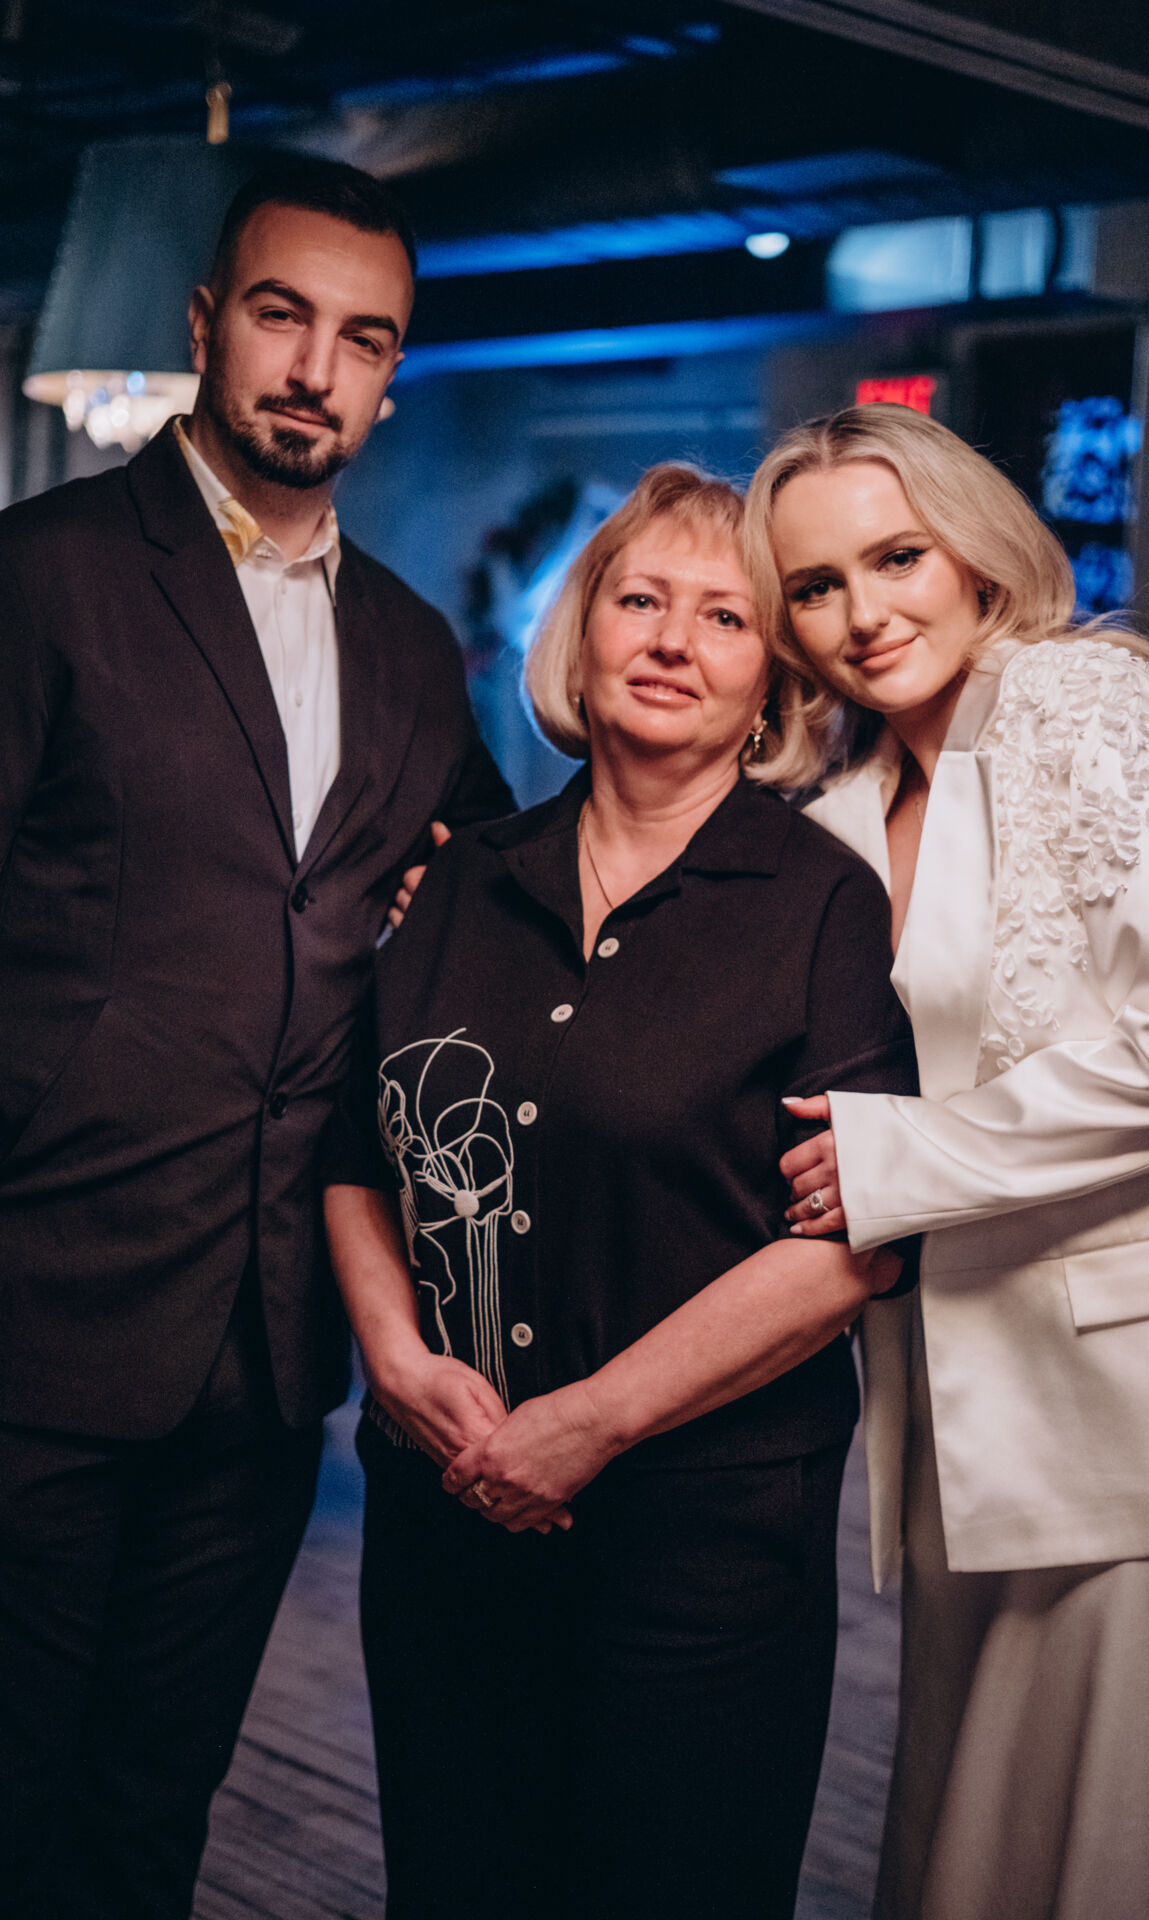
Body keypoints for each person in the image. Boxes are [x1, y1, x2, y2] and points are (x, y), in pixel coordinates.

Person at [0, 156, 511, 1919]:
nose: (315, 369)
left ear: (392, 373)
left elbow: (483, 895)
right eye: (284, 317)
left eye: (363, 338)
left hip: (273, 1349)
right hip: (38, 1314)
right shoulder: (43, 574)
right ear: (209, 325)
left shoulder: (414, 648)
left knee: (155, 1811)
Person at [322, 462, 917, 1920]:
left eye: (724, 617)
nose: (671, 641)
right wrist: (395, 1362)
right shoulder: (458, 884)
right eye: (640, 600)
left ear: (770, 683)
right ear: (579, 634)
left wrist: (589, 1422)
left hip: (704, 1549)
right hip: (448, 1516)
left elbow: (850, 1246)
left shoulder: (823, 905)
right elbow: (354, 1156)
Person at [743, 402, 1149, 1920]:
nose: (864, 613)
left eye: (897, 557)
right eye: (815, 585)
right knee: (979, 1855)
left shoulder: (1081, 703)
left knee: (1142, 1863)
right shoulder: (837, 811)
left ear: (977, 554)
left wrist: (904, 1159)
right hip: (970, 1434)